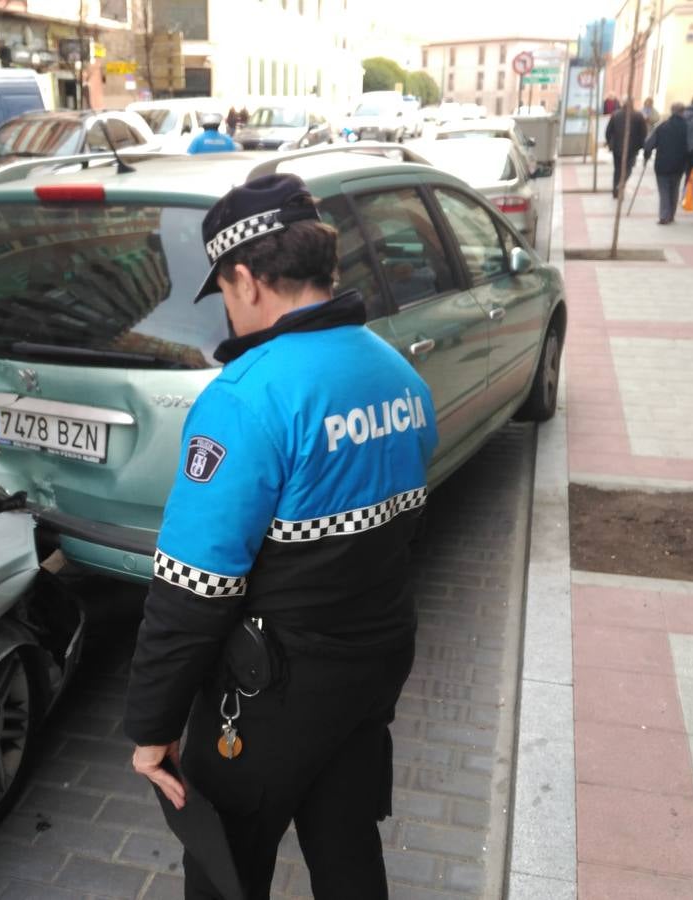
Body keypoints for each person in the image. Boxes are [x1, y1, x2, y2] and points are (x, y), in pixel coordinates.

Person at [125, 173, 438, 899]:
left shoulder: (246, 398)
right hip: (371, 671)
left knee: (224, 872)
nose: (231, 314)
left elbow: (193, 590)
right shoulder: (399, 377)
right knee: (347, 848)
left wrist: (153, 725)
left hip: (271, 698)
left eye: (228, 295)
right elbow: (397, 534)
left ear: (246, 278)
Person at [644, 102, 692, 225]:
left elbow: (649, 144)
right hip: (679, 164)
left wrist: (646, 155)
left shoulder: (662, 126)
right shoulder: (688, 127)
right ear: (683, 112)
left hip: (662, 164)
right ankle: (671, 215)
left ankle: (664, 216)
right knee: (674, 188)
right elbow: (692, 146)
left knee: (664, 190)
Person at [605, 99, 647, 199]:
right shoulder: (638, 116)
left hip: (617, 148)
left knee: (617, 170)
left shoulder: (616, 115)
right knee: (628, 168)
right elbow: (643, 134)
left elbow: (608, 131)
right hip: (632, 148)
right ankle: (621, 184)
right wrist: (641, 146)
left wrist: (610, 143)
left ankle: (616, 190)